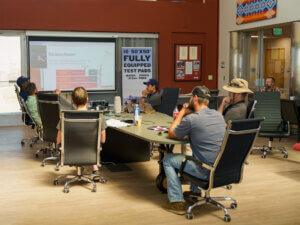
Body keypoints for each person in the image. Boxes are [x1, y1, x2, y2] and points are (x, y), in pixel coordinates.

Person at [162, 86, 226, 215]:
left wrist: (182, 112)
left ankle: (177, 202)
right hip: (222, 169)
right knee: (198, 153)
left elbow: (172, 133)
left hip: (206, 172)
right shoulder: (218, 116)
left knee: (168, 159)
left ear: (195, 98)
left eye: (191, 97)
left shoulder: (191, 119)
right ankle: (194, 191)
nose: (190, 99)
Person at [56, 87, 107, 176]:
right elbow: (103, 140)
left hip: (71, 154)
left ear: (73, 101)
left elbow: (58, 141)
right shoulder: (99, 117)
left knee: (74, 143)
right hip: (91, 154)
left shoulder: (65, 117)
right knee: (90, 143)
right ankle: (94, 168)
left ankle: (80, 167)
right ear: (87, 100)